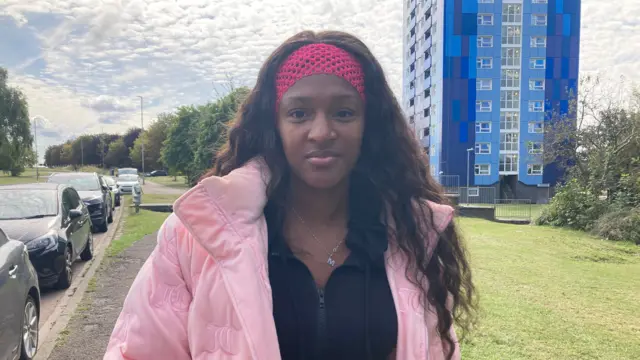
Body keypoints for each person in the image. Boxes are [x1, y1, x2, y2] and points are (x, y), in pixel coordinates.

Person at [105, 30, 476, 360]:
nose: (321, 131)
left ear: (369, 124)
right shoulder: (195, 238)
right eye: (299, 113)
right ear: (275, 124)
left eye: (344, 113)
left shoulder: (414, 238)